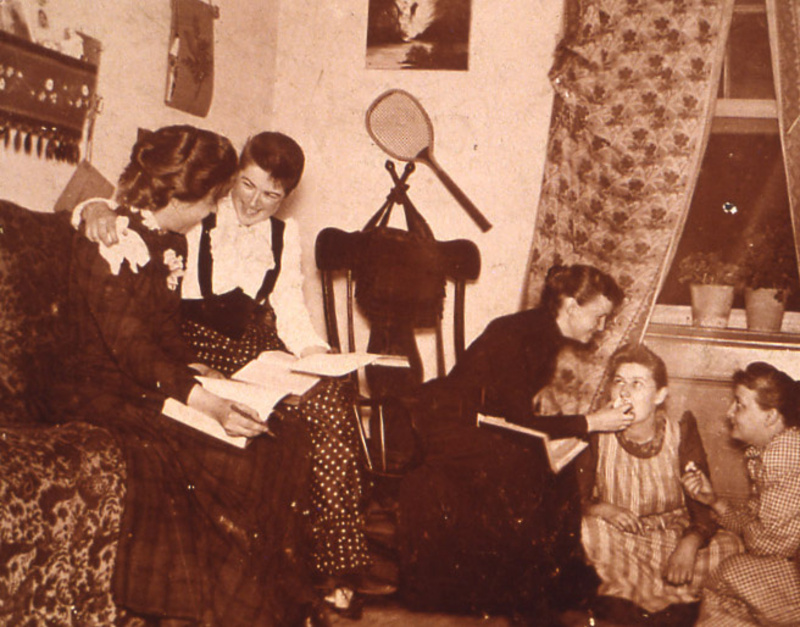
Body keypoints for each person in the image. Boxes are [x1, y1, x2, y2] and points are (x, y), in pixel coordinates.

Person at [75, 132, 375, 613]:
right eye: (248, 186)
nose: (255, 202)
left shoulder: (282, 232)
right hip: (199, 338)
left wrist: (315, 356)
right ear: (234, 177)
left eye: (272, 195)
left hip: (254, 344)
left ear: (287, 195)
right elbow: (123, 207)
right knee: (288, 426)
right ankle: (292, 573)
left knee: (330, 396)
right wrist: (92, 207)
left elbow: (289, 307)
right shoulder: (197, 208)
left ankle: (334, 561)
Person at [393, 263, 635, 622]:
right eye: (597, 317)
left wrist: (575, 428)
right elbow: (515, 422)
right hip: (449, 430)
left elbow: (511, 415)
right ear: (570, 306)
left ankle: (552, 588)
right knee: (532, 465)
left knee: (559, 463)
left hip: (482, 427)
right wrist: (591, 421)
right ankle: (527, 598)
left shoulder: (541, 333)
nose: (600, 328)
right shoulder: (521, 335)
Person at [577, 344, 743, 625]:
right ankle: (629, 604)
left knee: (731, 547)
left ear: (659, 395)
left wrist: (689, 544)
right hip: (622, 539)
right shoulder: (596, 432)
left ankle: (666, 606)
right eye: (618, 382)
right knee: (586, 531)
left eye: (637, 384)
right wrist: (603, 509)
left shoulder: (681, 430)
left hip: (672, 536)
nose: (624, 393)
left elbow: (702, 501)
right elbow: (574, 497)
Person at [682, 361, 800, 627]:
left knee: (731, 572)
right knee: (728, 598)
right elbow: (757, 529)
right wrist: (713, 500)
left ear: (770, 416)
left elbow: (766, 544)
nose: (729, 412)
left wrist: (747, 528)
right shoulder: (765, 452)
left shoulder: (785, 455)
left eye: (740, 404)